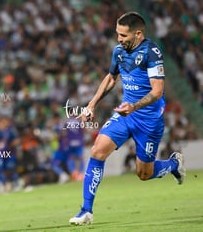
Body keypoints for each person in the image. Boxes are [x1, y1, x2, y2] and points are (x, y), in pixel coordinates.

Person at [69, 12, 186, 225]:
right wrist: (91, 105)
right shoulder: (119, 51)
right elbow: (111, 77)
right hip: (125, 115)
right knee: (97, 150)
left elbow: (157, 91)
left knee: (144, 174)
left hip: (148, 121)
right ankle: (86, 210)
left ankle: (173, 164)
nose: (118, 39)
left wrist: (134, 106)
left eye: (123, 35)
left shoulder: (152, 52)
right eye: (117, 34)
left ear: (138, 34)